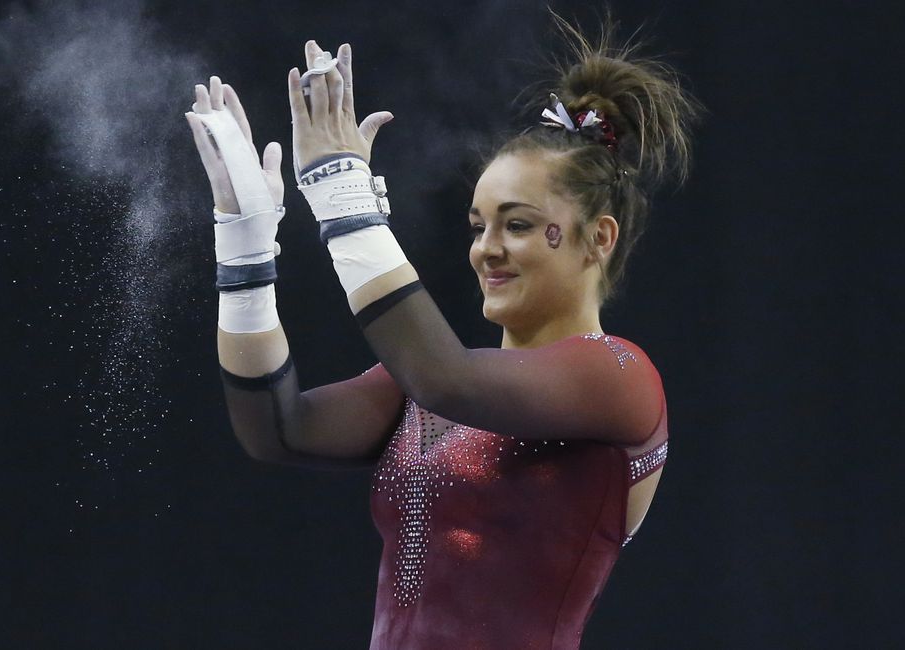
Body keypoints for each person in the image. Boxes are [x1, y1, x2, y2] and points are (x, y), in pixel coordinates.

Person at [184, 13, 701, 650]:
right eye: (478, 226)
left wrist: (343, 195)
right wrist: (247, 246)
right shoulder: (422, 388)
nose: (487, 249)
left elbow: (444, 377)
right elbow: (278, 428)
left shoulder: (619, 378)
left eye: (516, 224)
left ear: (598, 238)